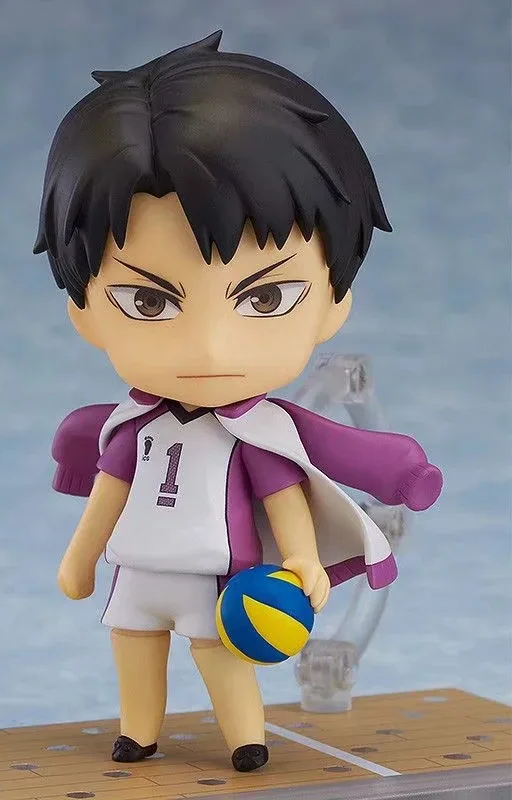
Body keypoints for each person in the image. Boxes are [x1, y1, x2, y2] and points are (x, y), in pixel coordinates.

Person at [34, 31, 443, 772]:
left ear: (333, 302)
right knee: (132, 647)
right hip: (138, 571)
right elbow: (108, 494)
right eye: (148, 302)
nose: (210, 349)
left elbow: (285, 496)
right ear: (85, 313)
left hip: (218, 580)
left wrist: (301, 559)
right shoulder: (130, 427)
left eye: (266, 297)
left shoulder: (257, 434)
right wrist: (80, 559)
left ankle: (246, 738)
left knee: (221, 653)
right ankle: (138, 732)